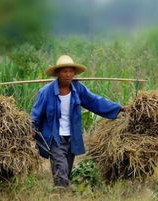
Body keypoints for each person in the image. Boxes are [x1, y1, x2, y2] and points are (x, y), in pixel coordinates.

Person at [31, 55, 127, 189]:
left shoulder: (78, 89)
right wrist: (31, 129)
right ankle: (61, 194)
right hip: (54, 138)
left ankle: (61, 191)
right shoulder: (46, 92)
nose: (68, 74)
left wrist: (119, 108)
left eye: (71, 71)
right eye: (64, 71)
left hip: (72, 137)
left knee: (67, 170)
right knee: (61, 168)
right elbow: (36, 114)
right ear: (58, 73)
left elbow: (95, 101)